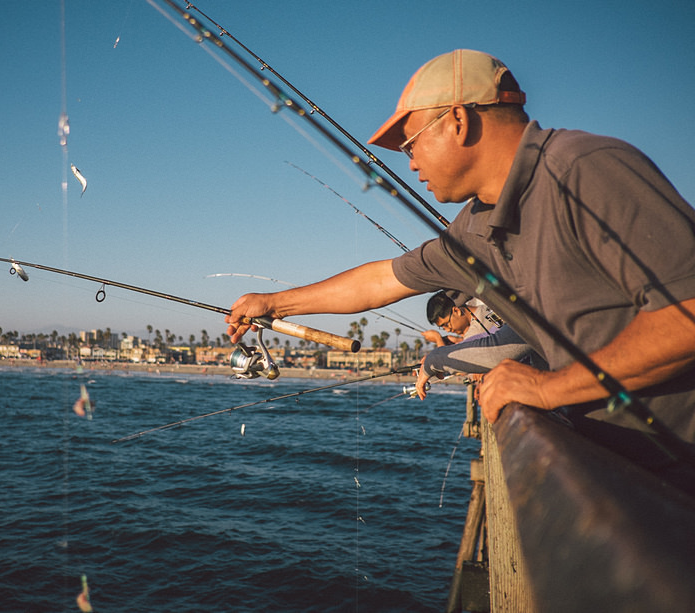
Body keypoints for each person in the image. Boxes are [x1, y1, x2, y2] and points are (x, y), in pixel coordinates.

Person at [226, 49, 695, 483]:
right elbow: (380, 281)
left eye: (411, 144)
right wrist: (273, 303)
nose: (410, 164)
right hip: (622, 474)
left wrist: (549, 389)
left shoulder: (583, 169)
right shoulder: (472, 229)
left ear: (457, 120)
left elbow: (687, 314)